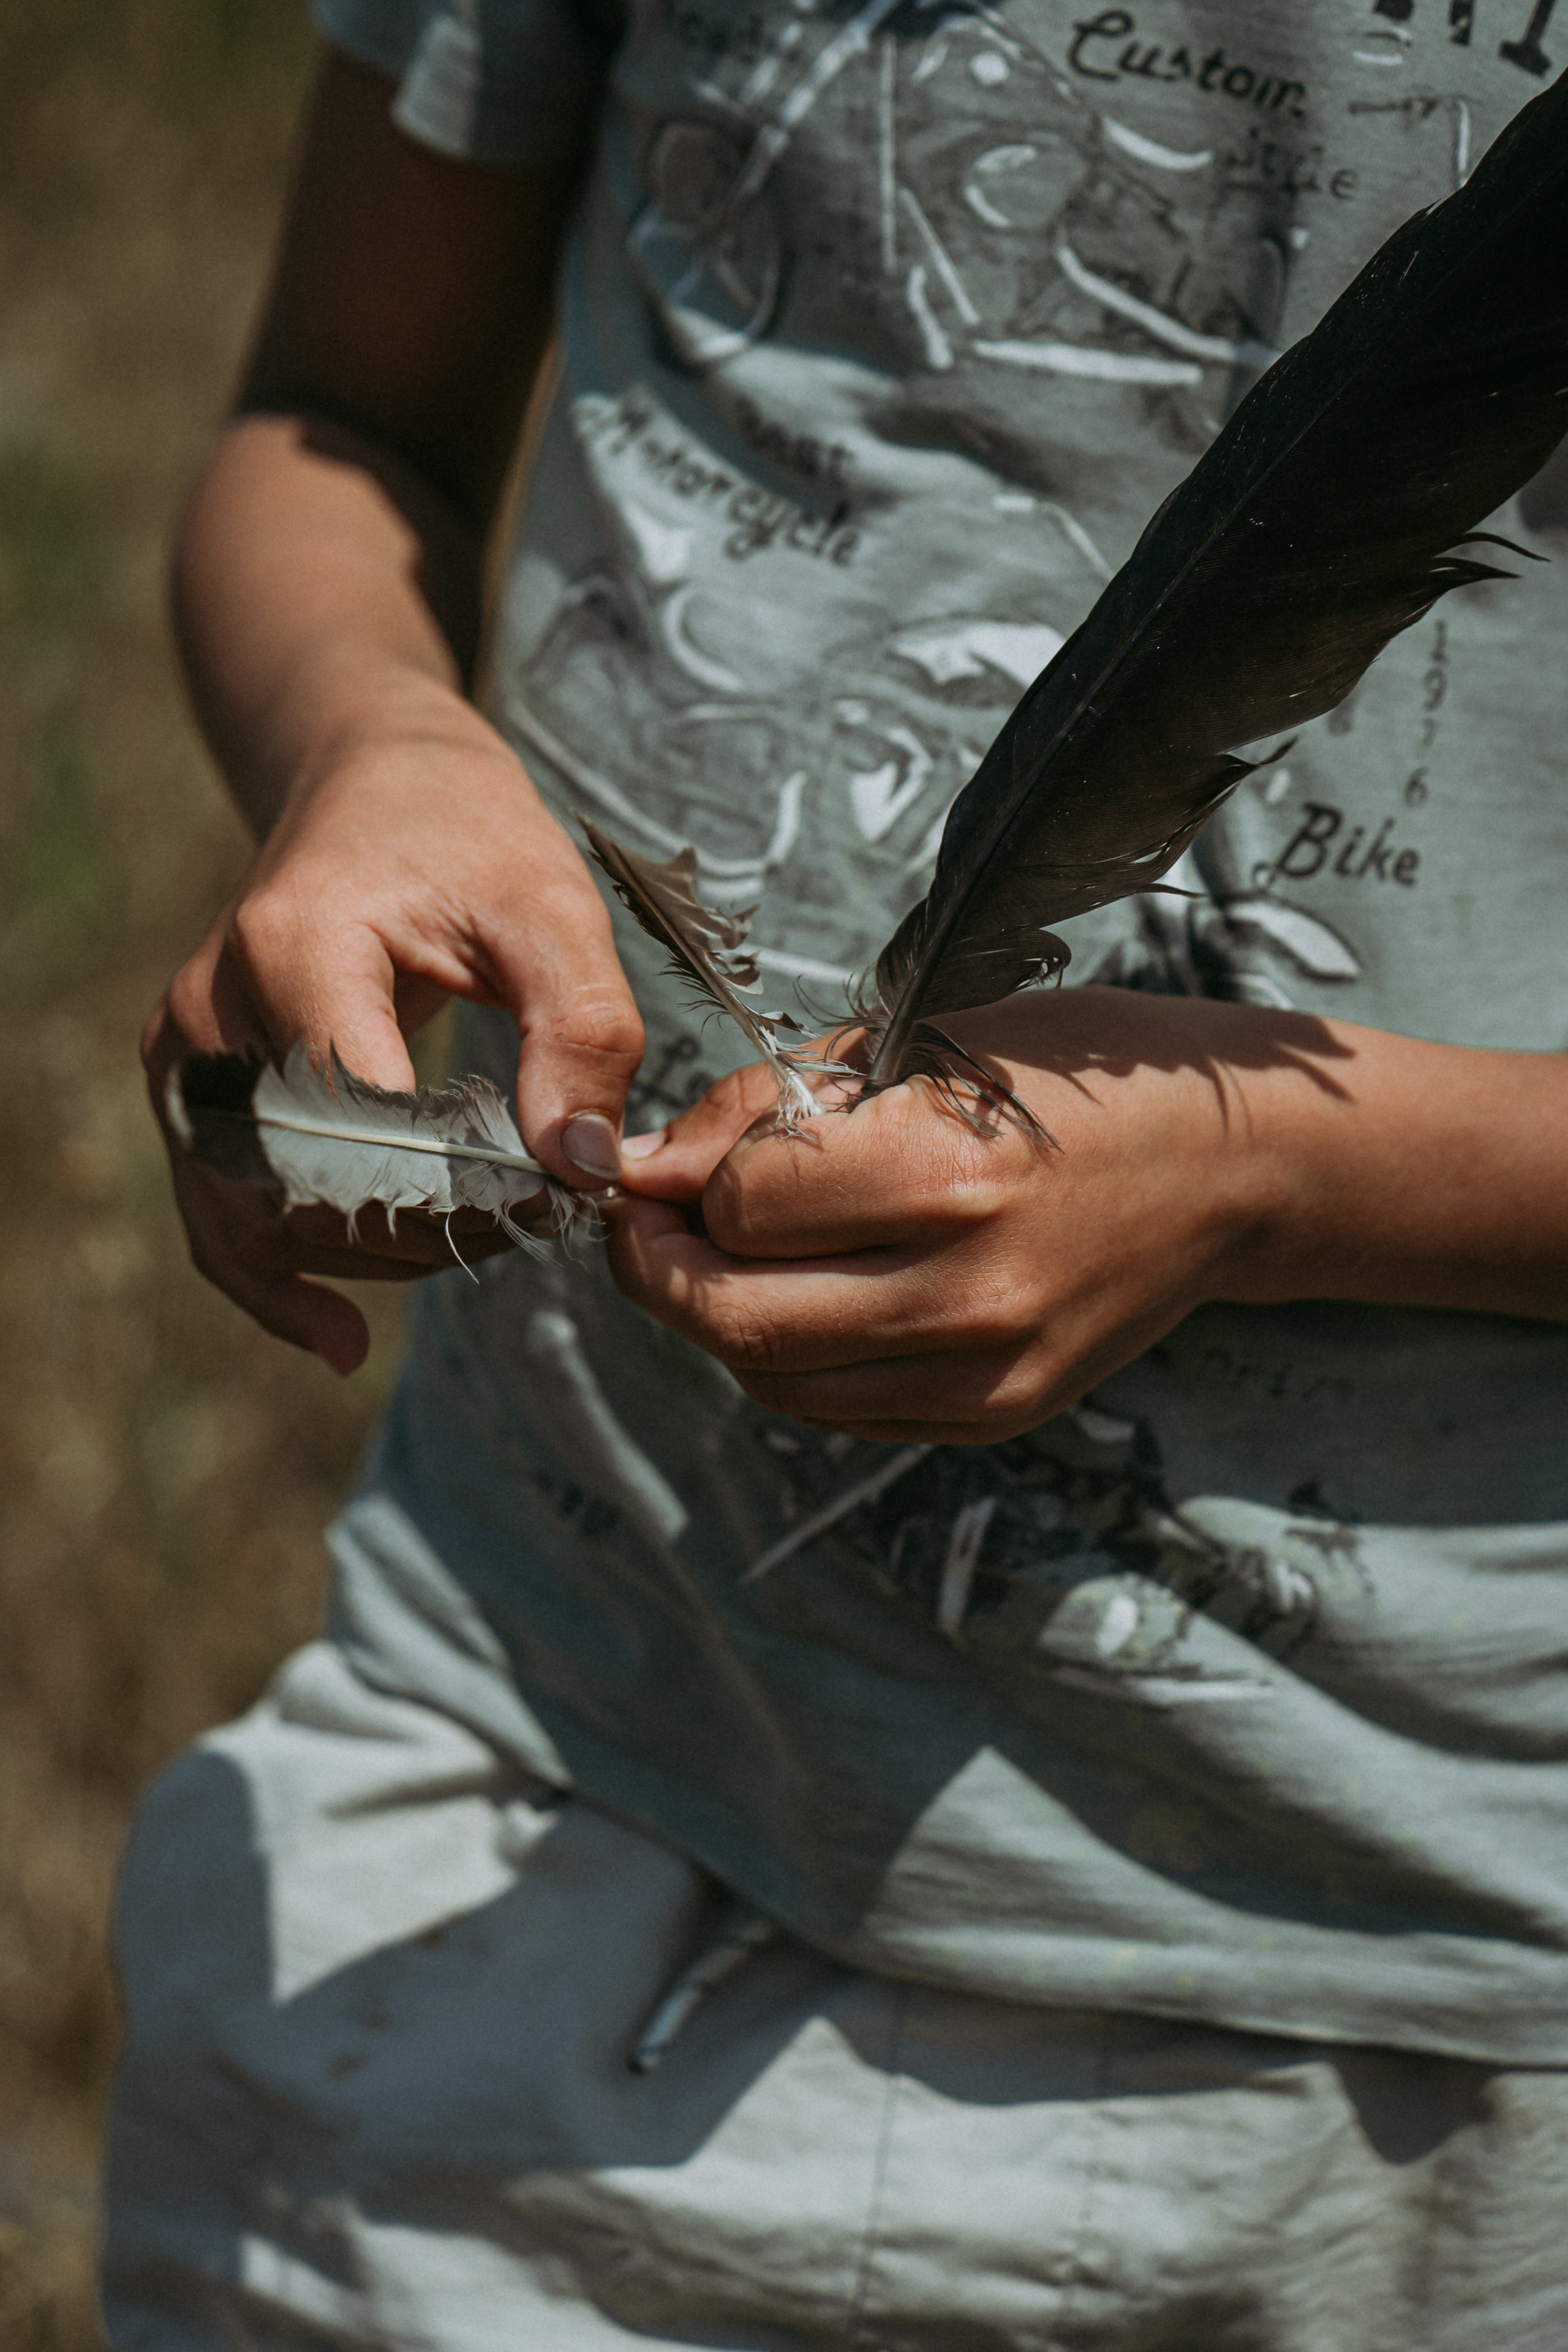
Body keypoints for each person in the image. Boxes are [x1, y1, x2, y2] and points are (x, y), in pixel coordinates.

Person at [109, 4, 1568, 2345]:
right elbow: (332, 420)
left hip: (1423, 2002)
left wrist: (1285, 1168)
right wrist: (362, 737)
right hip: (527, 1777)